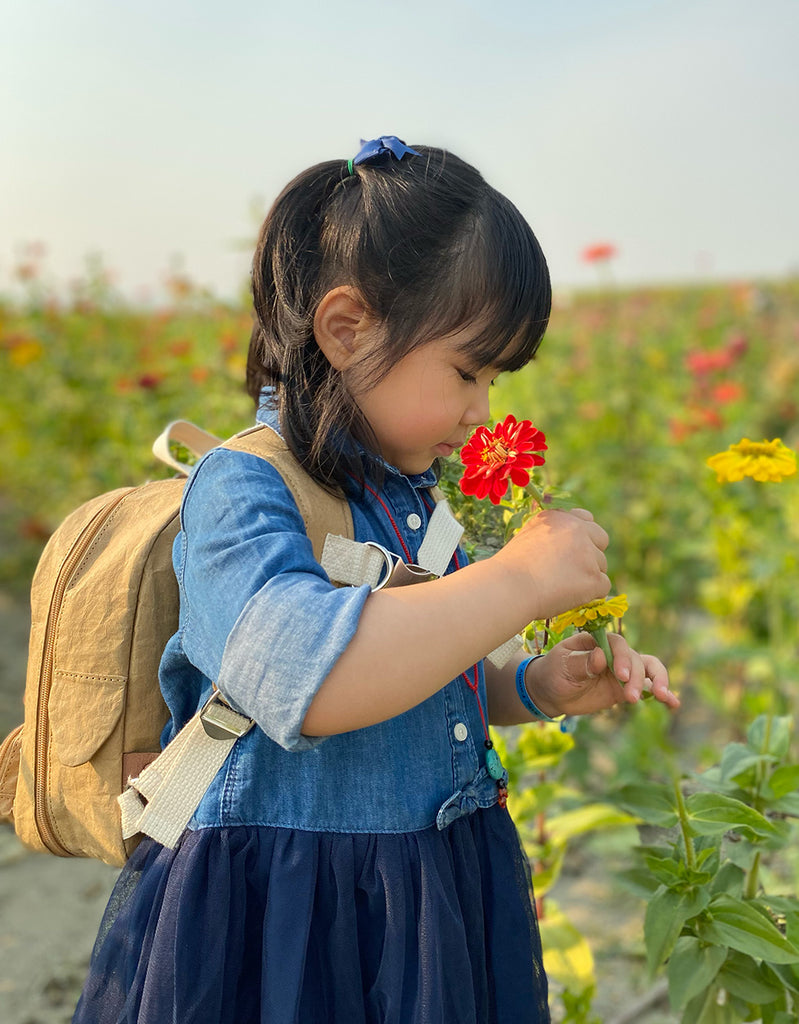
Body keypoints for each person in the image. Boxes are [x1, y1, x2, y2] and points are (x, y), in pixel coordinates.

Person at [73, 136, 679, 1024]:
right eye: (467, 370)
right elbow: (302, 682)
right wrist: (515, 581)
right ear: (347, 328)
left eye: (497, 378)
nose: (482, 411)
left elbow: (427, 672)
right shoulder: (243, 490)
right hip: (286, 909)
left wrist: (530, 685)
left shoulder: (415, 501)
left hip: (427, 881)